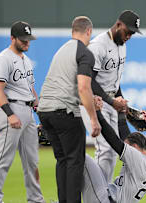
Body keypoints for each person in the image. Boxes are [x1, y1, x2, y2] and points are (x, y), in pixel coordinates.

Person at [36, 16, 101, 203]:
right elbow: (83, 87)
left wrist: (89, 100)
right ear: (89, 31)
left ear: (73, 30)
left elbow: (67, 87)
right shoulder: (85, 53)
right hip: (64, 112)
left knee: (63, 160)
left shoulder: (62, 50)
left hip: (45, 110)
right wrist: (93, 119)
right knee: (75, 161)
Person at [79, 9, 142, 184]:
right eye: (128, 31)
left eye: (133, 33)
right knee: (105, 149)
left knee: (113, 151)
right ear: (119, 24)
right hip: (93, 101)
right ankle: (97, 195)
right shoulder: (98, 45)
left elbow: (114, 82)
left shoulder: (122, 46)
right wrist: (111, 101)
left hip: (110, 102)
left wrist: (123, 105)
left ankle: (103, 193)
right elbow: (88, 81)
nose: (129, 35)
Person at [0, 21, 45, 203]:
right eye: (23, 39)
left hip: (27, 111)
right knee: (3, 160)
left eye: (29, 39)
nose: (27, 43)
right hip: (10, 109)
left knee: (32, 161)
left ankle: (35, 199)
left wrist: (41, 113)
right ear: (12, 38)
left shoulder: (26, 60)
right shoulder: (3, 58)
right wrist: (9, 113)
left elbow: (30, 90)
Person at [82, 96, 146, 203]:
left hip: (104, 200)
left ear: (135, 146)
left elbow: (114, 140)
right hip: (110, 197)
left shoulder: (137, 158)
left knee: (80, 155)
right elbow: (126, 138)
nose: (125, 146)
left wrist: (98, 113)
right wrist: (121, 112)